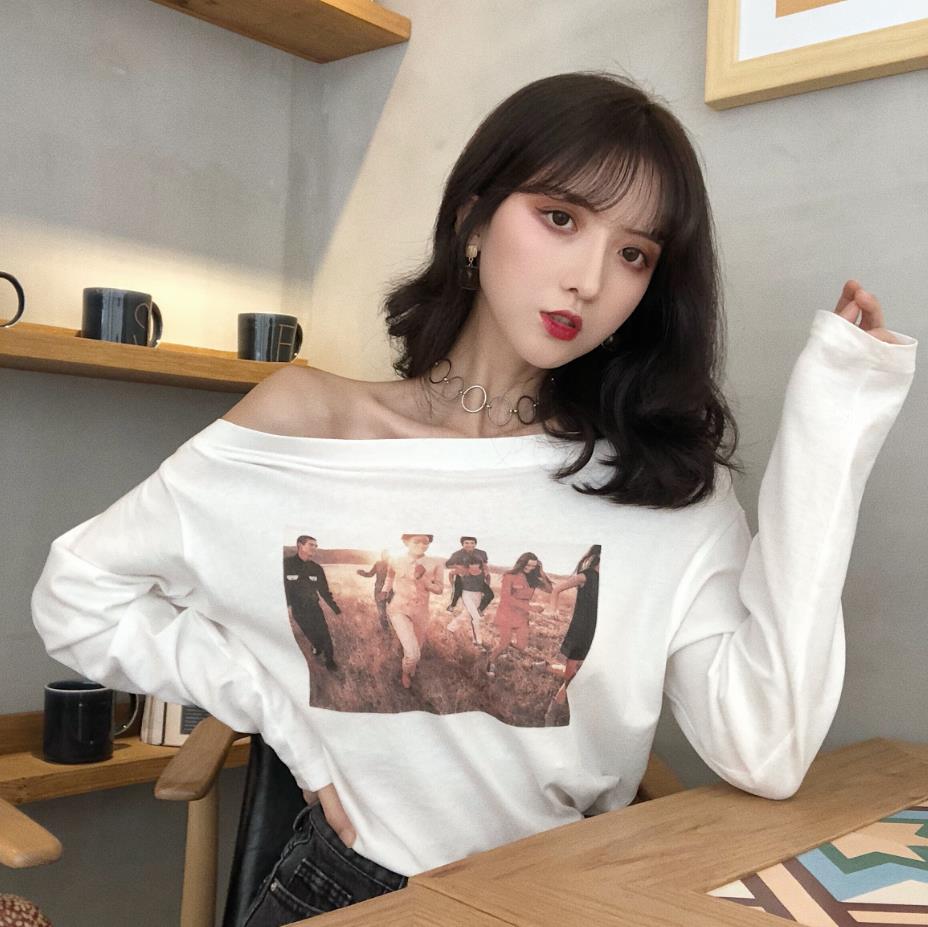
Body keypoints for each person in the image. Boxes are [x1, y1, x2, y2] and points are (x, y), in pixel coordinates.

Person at [30, 70, 916, 926]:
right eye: (561, 217)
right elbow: (77, 593)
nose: (590, 279)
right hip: (355, 891)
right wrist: (277, 714)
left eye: (634, 254)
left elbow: (765, 745)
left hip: (561, 896)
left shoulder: (659, 485)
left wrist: (830, 429)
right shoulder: (306, 426)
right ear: (473, 219)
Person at [544, 544, 601, 724]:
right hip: (581, 631)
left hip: (598, 631)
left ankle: (545, 667)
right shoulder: (586, 576)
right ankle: (552, 712)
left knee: (581, 673)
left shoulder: (609, 581)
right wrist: (553, 609)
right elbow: (557, 589)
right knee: (571, 676)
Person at [381, 534, 443, 689]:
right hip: (399, 609)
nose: (422, 545)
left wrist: (424, 579)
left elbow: (439, 589)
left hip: (421, 612)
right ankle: (405, 673)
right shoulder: (396, 560)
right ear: (406, 542)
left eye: (425, 542)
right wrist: (385, 590)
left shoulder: (436, 563)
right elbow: (389, 577)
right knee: (413, 654)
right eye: (417, 541)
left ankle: (410, 668)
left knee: (417, 651)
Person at [486, 552, 553, 677]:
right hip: (507, 612)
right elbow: (506, 598)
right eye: (528, 565)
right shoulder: (510, 576)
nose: (530, 568)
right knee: (504, 643)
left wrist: (542, 572)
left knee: (521, 646)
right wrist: (531, 608)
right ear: (521, 563)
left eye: (533, 566)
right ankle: (491, 662)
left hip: (522, 615)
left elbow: (550, 590)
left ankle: (504, 650)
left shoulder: (533, 578)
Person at [283, 535, 342, 671]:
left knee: (324, 633)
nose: (314, 548)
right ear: (300, 545)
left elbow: (324, 591)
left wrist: (336, 609)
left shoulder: (316, 569)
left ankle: (330, 661)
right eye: (311, 545)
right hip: (298, 609)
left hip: (314, 607)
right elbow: (281, 588)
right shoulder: (286, 565)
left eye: (316, 546)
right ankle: (317, 647)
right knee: (312, 635)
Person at [445, 552, 490, 647]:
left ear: (479, 564)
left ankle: (450, 628)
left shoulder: (483, 572)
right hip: (467, 594)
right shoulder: (464, 571)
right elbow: (451, 573)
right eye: (471, 564)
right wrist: (452, 583)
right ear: (468, 565)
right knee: (476, 617)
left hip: (478, 595)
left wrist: (486, 586)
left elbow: (488, 577)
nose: (474, 566)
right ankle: (478, 641)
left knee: (466, 615)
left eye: (476, 564)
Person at [445, 536, 494, 613]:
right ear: (462, 544)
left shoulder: (482, 553)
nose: (469, 545)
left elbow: (485, 564)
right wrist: (459, 567)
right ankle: (452, 605)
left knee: (490, 594)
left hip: (477, 576)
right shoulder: (457, 554)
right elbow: (448, 565)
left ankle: (480, 609)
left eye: (472, 543)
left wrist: (486, 572)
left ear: (475, 544)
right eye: (466, 543)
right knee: (457, 590)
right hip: (463, 575)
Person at [356, 549, 392, 630]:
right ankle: (387, 631)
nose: (385, 556)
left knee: (390, 612)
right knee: (383, 613)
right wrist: (362, 573)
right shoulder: (380, 564)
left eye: (386, 555)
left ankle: (391, 630)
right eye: (384, 554)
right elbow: (370, 574)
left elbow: (370, 574)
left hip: (387, 591)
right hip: (381, 591)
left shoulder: (391, 564)